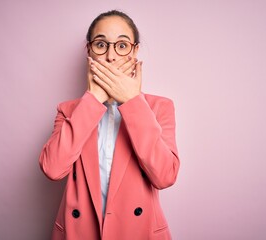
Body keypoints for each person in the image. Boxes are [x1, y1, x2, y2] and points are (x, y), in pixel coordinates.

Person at [39, 10, 180, 240]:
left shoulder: (159, 108)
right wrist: (92, 100)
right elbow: (52, 169)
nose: (111, 56)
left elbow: (164, 176)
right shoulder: (69, 110)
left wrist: (133, 102)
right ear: (89, 52)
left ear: (134, 51)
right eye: (101, 44)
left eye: (122, 45)